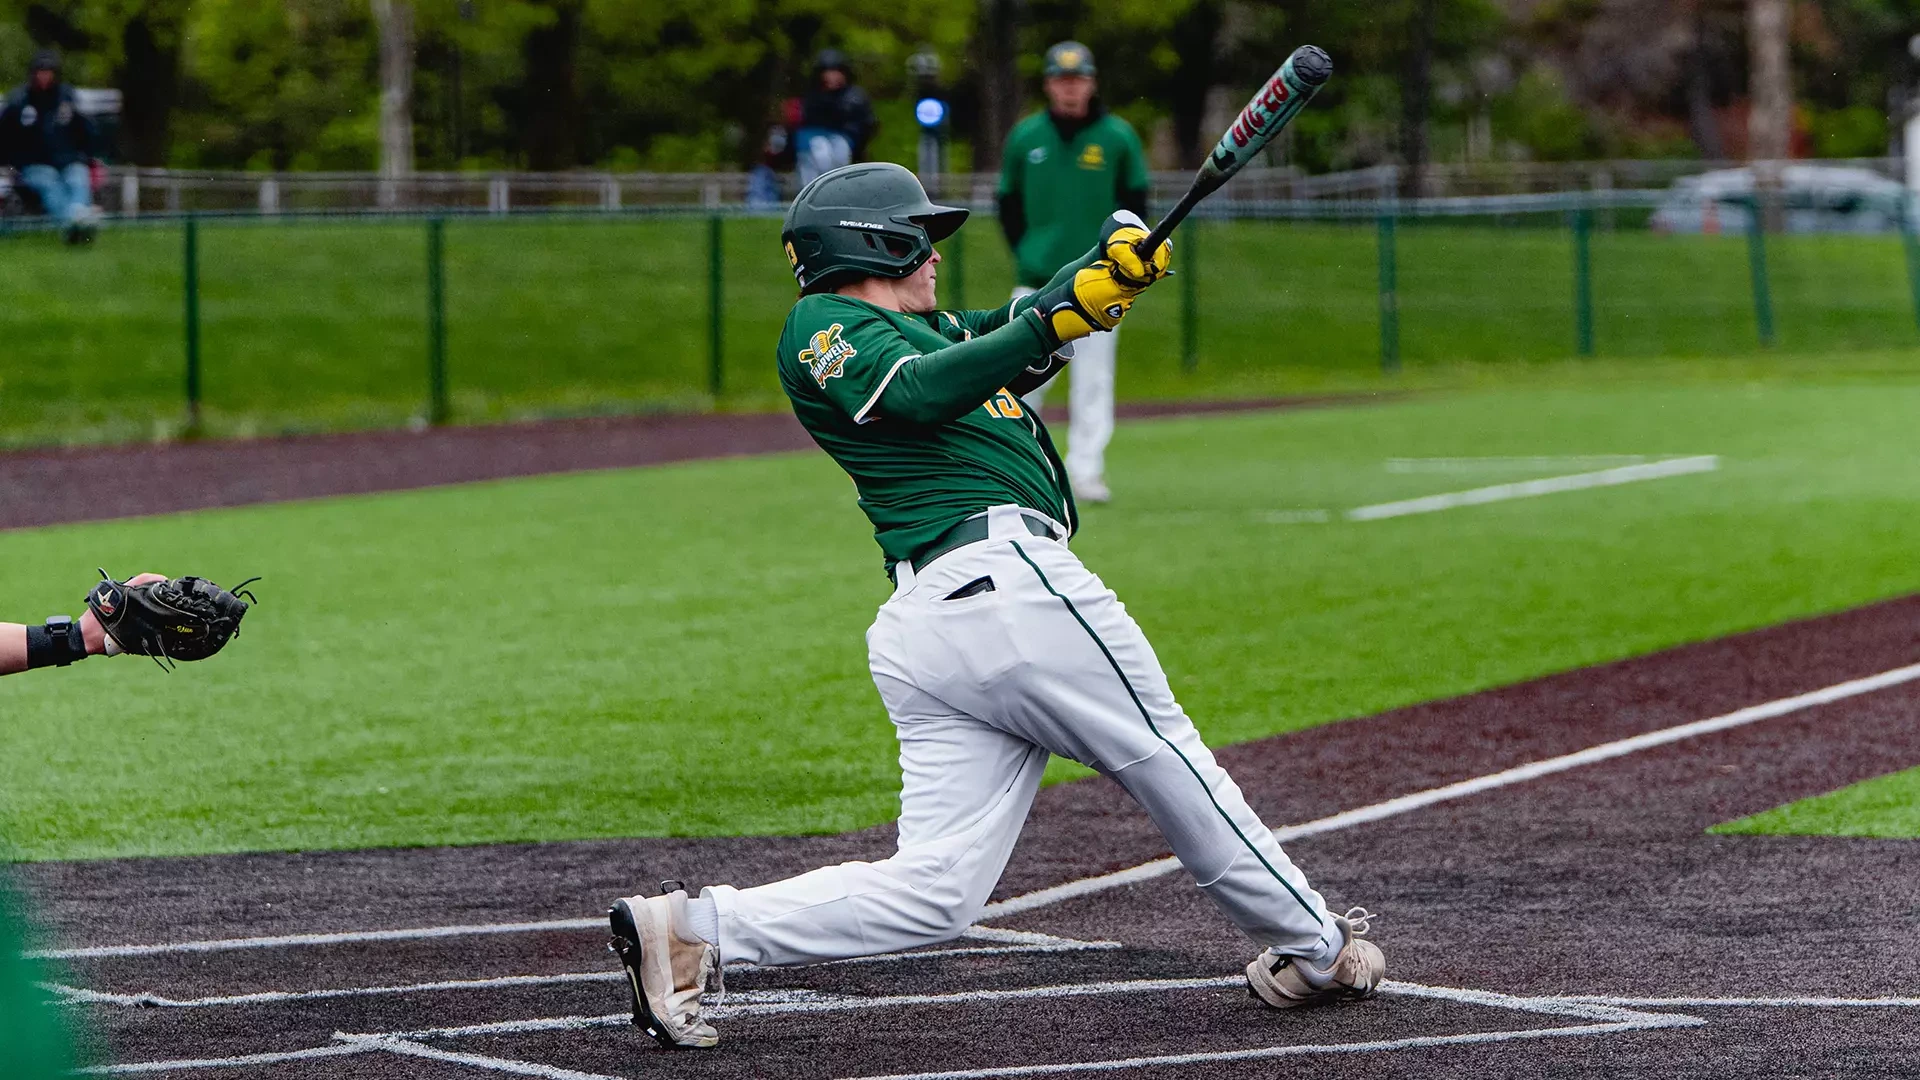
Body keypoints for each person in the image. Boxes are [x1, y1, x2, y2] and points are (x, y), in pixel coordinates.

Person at [606, 162, 1383, 1051]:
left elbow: (1010, 332)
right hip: (1004, 587)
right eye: (920, 236)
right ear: (873, 241)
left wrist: (1104, 263)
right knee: (1170, 760)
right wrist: (1061, 311)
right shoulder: (825, 323)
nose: (936, 253)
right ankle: (1317, 948)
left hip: (943, 623)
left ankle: (694, 929)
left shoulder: (935, 330)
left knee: (936, 891)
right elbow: (925, 388)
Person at [996, 42, 1151, 504]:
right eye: (1061, 80)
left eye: (1077, 80)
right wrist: (1029, 250)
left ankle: (1086, 471)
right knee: (1023, 378)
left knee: (1094, 381)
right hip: (1039, 278)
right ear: (1048, 84)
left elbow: (1135, 205)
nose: (1069, 89)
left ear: (1091, 82)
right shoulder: (1026, 137)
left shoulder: (1118, 137)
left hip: (1103, 282)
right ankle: (1017, 468)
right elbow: (1007, 203)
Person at [0, 50, 100, 244]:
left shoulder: (67, 98)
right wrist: (11, 166)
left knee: (78, 178)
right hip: (33, 165)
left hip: (68, 160)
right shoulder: (18, 102)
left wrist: (86, 157)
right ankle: (74, 225)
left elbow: (86, 131)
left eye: (48, 71)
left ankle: (76, 220)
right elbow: (4, 137)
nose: (44, 76)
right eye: (40, 71)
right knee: (50, 183)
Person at [794, 49, 876, 185]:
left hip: (845, 141)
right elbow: (804, 122)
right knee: (820, 152)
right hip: (815, 141)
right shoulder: (812, 96)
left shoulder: (855, 96)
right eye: (828, 72)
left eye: (836, 71)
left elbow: (866, 125)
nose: (832, 76)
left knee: (839, 152)